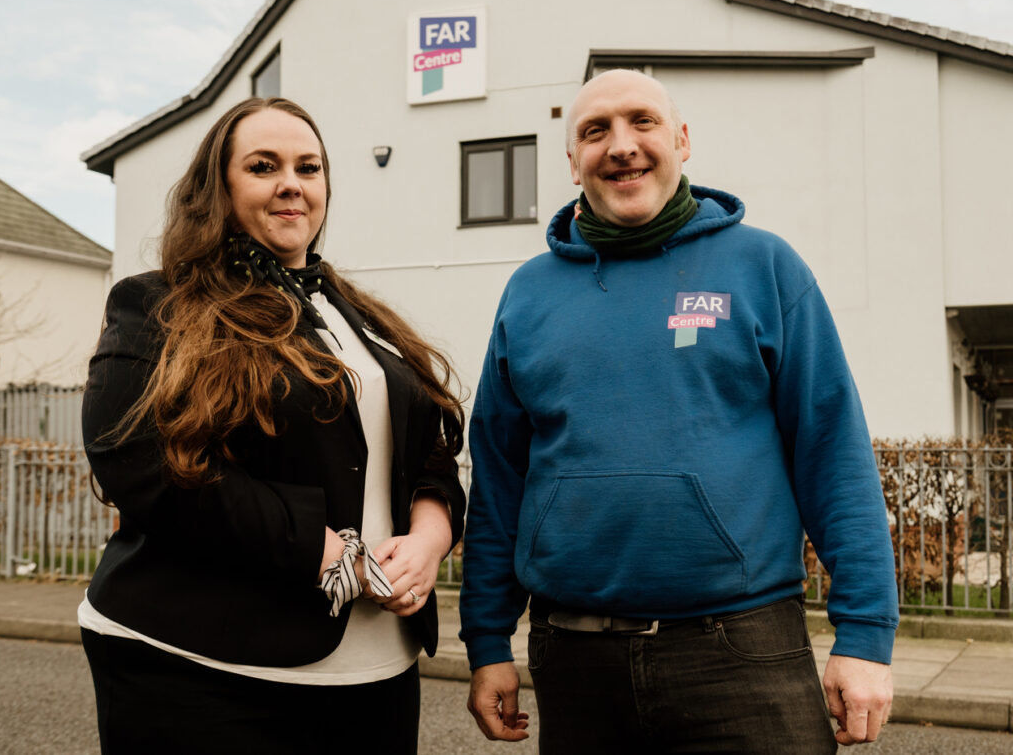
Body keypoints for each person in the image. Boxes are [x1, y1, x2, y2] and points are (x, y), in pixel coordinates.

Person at [460, 69, 899, 753]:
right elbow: (497, 482)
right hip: (574, 663)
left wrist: (866, 635)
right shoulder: (528, 294)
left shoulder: (765, 267)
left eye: (642, 122)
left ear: (682, 140)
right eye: (595, 131)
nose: (622, 145)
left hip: (742, 652)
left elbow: (833, 453)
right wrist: (487, 641)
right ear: (571, 160)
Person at [78, 96, 466, 754]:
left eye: (308, 167)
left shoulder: (355, 315)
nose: (292, 182)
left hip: (378, 673)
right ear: (220, 190)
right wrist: (330, 555)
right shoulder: (158, 304)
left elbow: (430, 456)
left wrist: (429, 541)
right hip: (201, 668)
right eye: (264, 166)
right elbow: (138, 462)